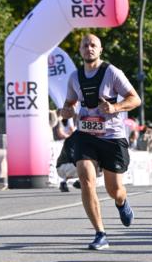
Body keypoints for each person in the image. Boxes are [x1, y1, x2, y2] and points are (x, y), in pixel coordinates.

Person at [59, 33, 140, 250]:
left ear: (100, 49)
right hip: (86, 136)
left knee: (116, 190)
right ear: (80, 50)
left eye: (93, 44)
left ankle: (122, 202)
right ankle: (100, 233)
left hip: (112, 137)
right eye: (85, 45)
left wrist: (114, 108)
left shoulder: (112, 72)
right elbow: (69, 104)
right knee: (86, 179)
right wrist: (66, 111)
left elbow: (135, 99)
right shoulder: (75, 77)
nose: (89, 48)